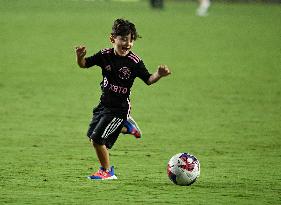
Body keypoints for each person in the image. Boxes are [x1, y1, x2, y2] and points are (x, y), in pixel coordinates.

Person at [75, 18, 171, 180]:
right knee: (92, 135)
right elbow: (84, 64)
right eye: (124, 39)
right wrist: (79, 57)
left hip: (119, 109)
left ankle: (107, 172)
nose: (127, 43)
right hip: (104, 105)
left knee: (97, 140)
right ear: (113, 39)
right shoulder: (104, 55)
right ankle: (127, 126)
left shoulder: (134, 62)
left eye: (131, 40)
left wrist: (158, 75)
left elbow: (148, 79)